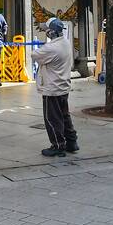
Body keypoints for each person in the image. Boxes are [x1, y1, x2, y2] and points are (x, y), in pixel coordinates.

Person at [32, 18, 78, 157]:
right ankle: (71, 142)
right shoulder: (65, 43)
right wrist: (44, 26)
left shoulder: (51, 48)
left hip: (52, 88)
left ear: (52, 32)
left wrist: (45, 34)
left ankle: (58, 145)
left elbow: (35, 55)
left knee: (52, 118)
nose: (46, 32)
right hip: (63, 86)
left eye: (47, 30)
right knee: (64, 116)